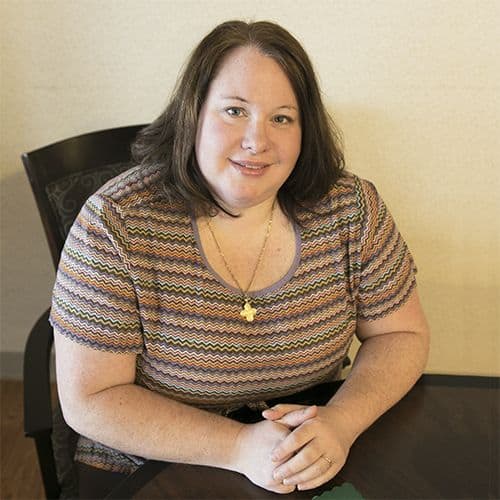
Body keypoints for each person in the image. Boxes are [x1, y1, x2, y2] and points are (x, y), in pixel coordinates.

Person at [51, 20, 430, 498]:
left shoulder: (350, 207)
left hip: (306, 452)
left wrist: (341, 422)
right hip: (151, 465)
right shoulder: (117, 223)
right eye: (234, 111)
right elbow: (92, 400)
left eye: (282, 118)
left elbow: (401, 333)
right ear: (193, 115)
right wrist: (239, 447)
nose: (258, 141)